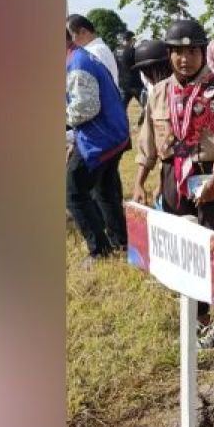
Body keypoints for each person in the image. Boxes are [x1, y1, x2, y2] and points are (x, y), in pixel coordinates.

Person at [131, 19, 214, 349]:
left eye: (193, 51)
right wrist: (141, 180)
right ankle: (197, 316)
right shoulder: (158, 93)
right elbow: (148, 140)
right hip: (172, 177)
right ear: (169, 55)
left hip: (213, 174)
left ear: (203, 52)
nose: (185, 59)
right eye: (178, 52)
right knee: (185, 249)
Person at [66, 27, 130, 264]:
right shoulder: (80, 57)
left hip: (99, 139)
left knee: (74, 193)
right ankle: (120, 239)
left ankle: (99, 250)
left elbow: (85, 108)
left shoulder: (77, 64)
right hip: (113, 135)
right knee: (105, 190)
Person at [67, 14, 119, 86]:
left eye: (70, 36)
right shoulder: (99, 49)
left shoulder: (93, 52)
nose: (70, 41)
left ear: (83, 31)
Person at [114, 31, 144, 114]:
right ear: (131, 39)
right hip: (135, 83)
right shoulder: (132, 51)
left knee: (121, 110)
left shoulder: (116, 51)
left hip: (122, 84)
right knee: (148, 106)